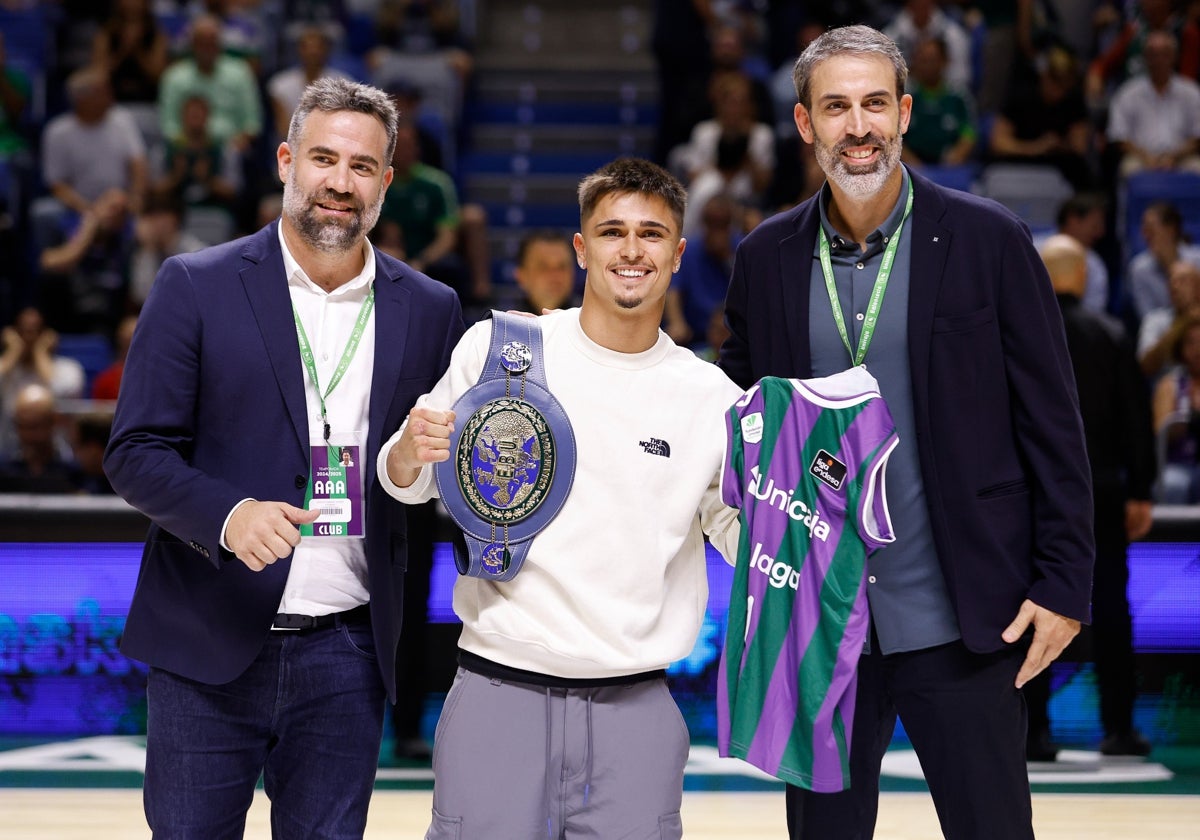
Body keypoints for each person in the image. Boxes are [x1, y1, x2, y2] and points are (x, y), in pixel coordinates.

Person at [719, 25, 1094, 839]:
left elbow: (1055, 425)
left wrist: (1064, 585)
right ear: (804, 124)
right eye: (837, 107)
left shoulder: (989, 239)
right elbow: (742, 418)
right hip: (819, 628)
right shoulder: (767, 256)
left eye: (875, 104)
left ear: (906, 113)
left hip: (963, 615)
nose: (859, 127)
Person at [102, 76, 465, 837]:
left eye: (362, 167)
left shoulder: (431, 308)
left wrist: (412, 468)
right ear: (285, 161)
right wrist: (228, 516)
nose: (340, 182)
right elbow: (134, 451)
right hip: (209, 638)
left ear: (387, 182)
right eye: (323, 159)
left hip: (349, 648)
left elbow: (421, 466)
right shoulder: (195, 285)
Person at [378, 157, 742, 839]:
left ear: (677, 253)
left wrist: (800, 505)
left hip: (637, 705)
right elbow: (407, 478)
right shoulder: (502, 349)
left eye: (651, 234)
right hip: (498, 692)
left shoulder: (711, 397)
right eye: (611, 232)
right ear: (582, 249)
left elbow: (742, 539)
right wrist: (406, 451)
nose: (631, 251)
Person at [1023, 234, 1155, 762]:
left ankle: (1033, 734)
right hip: (1101, 491)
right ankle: (1119, 728)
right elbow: (1136, 418)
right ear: (1081, 276)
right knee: (1112, 610)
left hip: (1033, 493)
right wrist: (1141, 488)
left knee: (1033, 603)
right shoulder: (1111, 333)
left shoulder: (1024, 332)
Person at [1104, 28, 1200, 179]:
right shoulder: (1128, 93)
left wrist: (1173, 157)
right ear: (1145, 58)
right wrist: (1147, 157)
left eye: (1164, 54)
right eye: (1153, 55)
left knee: (1197, 169)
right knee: (1129, 170)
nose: (1159, 60)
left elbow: (1197, 136)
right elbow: (1119, 135)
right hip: (1141, 157)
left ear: (1174, 57)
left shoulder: (1191, 92)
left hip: (1182, 157)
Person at [1151, 315, 1200, 502]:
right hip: (1178, 462)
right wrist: (1191, 419)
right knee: (1172, 484)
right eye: (1192, 343)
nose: (1198, 349)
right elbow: (1160, 431)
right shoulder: (1170, 384)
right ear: (1181, 349)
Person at [1139, 259, 1200, 381]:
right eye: (1171, 281)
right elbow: (1145, 366)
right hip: (1169, 392)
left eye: (1183, 280)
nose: (1174, 286)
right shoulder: (1155, 320)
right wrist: (1181, 324)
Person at [509, 228, 579, 314]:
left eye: (562, 266)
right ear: (521, 276)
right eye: (543, 267)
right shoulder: (499, 324)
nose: (555, 275)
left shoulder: (595, 323)